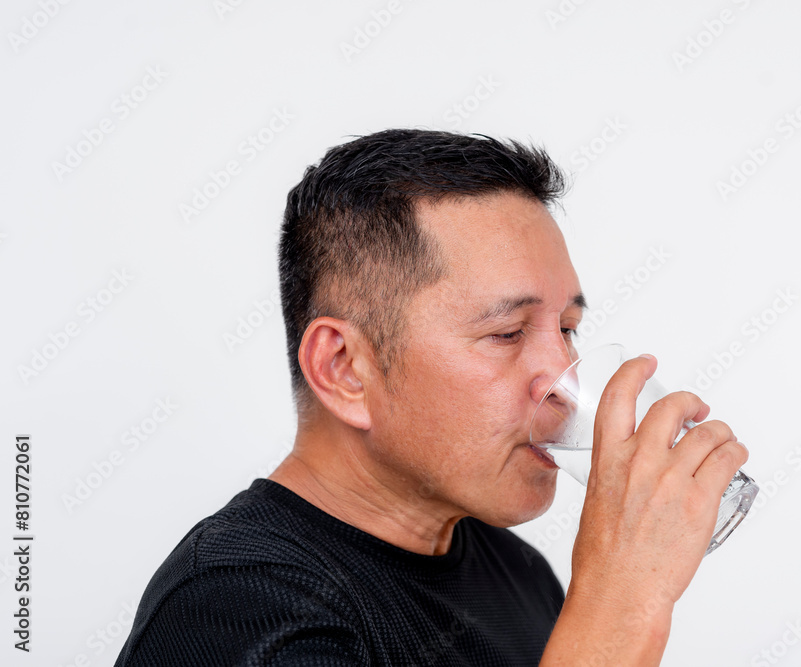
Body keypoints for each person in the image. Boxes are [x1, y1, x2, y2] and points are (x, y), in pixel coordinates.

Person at [114, 128, 748, 666]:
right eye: (506, 333)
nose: (565, 379)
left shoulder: (516, 572)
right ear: (343, 370)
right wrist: (622, 600)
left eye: (567, 330)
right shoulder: (237, 605)